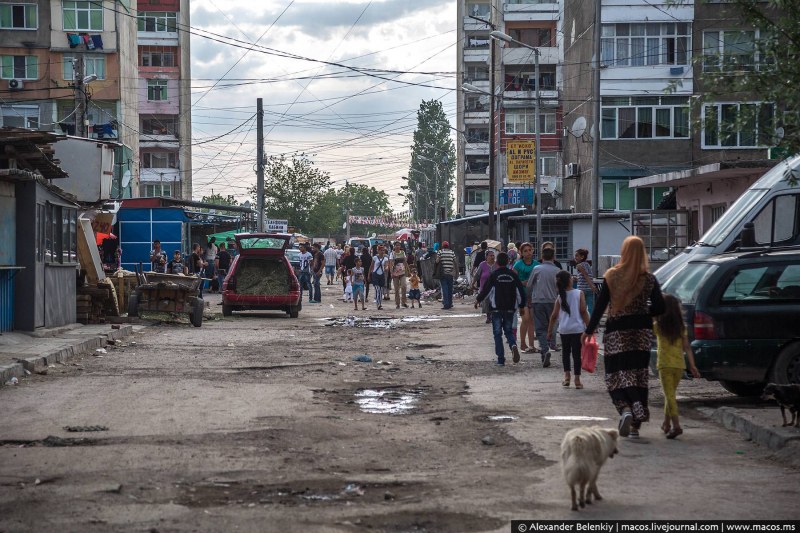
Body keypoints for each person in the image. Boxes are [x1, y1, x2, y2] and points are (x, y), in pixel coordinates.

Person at [583, 235, 666, 439]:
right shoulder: (649, 279)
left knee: (615, 375)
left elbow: (600, 306)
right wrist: (644, 313)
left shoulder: (612, 276)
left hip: (617, 332)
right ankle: (636, 425)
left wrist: (589, 330)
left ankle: (625, 409)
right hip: (642, 333)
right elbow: (660, 307)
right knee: (638, 375)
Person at [655, 294, 701, 439]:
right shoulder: (681, 327)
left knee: (669, 396)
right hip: (679, 365)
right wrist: (692, 365)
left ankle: (676, 425)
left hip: (664, 364)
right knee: (670, 395)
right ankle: (666, 423)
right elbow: (687, 347)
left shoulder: (658, 326)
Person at [474, 252, 526, 366]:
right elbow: (520, 291)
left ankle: (501, 359)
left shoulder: (494, 275)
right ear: (508, 262)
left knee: (497, 334)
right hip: (510, 308)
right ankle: (513, 345)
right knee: (508, 331)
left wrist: (478, 300)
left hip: (496, 309)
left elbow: (486, 290)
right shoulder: (513, 275)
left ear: (497, 262)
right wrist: (522, 306)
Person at [548, 271, 590, 389]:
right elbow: (583, 311)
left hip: (564, 329)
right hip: (577, 329)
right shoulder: (579, 293)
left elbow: (554, 316)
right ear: (570, 280)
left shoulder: (560, 297)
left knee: (566, 353)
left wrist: (550, 331)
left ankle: (567, 377)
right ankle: (577, 380)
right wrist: (590, 327)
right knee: (577, 354)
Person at [528, 247, 561, 367]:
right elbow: (561, 289)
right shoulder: (557, 270)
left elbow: (529, 285)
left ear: (542, 256)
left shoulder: (537, 269)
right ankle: (549, 344)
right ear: (554, 257)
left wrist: (529, 300)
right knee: (551, 325)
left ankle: (545, 350)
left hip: (539, 301)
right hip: (553, 302)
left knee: (540, 328)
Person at [513, 242, 538, 353]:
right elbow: (513, 279)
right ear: (521, 253)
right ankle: (523, 343)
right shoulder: (518, 265)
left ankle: (532, 345)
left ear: (533, 250)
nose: (528, 252)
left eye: (530, 250)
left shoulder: (537, 264)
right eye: (525, 251)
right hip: (521, 295)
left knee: (532, 320)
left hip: (534, 295)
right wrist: (522, 282)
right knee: (525, 319)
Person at [574, 248, 598, 314]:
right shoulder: (587, 264)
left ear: (582, 257)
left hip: (582, 289)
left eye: (576, 256)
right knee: (590, 306)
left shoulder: (579, 265)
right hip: (589, 289)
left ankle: (582, 320)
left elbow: (585, 275)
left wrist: (592, 285)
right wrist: (591, 286)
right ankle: (591, 320)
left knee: (581, 306)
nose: (575, 257)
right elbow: (585, 276)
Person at [475, 249, 496, 323]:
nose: (492, 257)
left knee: (493, 302)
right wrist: (472, 283)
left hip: (494, 288)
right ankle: (488, 316)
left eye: (493, 255)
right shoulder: (482, 264)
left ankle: (493, 316)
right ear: (486, 257)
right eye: (490, 255)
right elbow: (477, 275)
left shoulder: (497, 264)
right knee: (486, 302)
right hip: (484, 287)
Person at [436, 241, 458, 310]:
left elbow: (437, 261)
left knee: (445, 289)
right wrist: (456, 272)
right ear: (448, 246)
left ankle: (446, 304)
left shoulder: (440, 252)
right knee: (450, 289)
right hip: (450, 273)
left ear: (442, 246)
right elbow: (455, 262)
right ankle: (450, 303)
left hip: (443, 273)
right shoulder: (452, 252)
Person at [391, 242, 409, 309]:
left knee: (404, 286)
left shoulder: (403, 252)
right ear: (394, 246)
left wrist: (407, 269)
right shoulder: (392, 253)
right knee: (396, 289)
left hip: (402, 272)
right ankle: (397, 303)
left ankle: (403, 302)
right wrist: (391, 272)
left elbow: (405, 261)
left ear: (400, 246)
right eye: (396, 245)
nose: (397, 246)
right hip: (395, 273)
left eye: (398, 245)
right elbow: (390, 263)